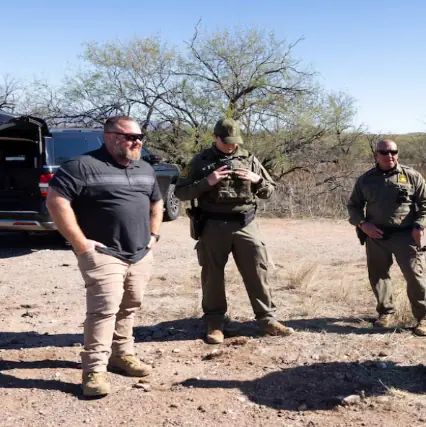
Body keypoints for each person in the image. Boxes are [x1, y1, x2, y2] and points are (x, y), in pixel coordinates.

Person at [47, 115, 162, 397]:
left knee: (130, 305)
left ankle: (121, 355)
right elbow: (55, 200)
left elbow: (157, 201)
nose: (138, 142)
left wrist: (153, 236)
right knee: (104, 309)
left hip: (139, 252)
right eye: (131, 137)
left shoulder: (145, 168)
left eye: (140, 137)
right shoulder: (81, 166)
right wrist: (79, 243)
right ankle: (94, 371)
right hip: (102, 252)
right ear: (110, 136)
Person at [175, 118, 293, 344]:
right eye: (226, 141)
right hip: (213, 225)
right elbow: (181, 193)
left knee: (257, 270)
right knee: (212, 276)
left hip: (246, 223)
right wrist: (206, 182)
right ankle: (215, 322)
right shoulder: (201, 161)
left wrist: (257, 180)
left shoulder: (249, 159)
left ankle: (267, 319)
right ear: (215, 138)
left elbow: (269, 191)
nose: (231, 146)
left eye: (234, 142)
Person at [347, 139, 426, 336]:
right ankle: (385, 312)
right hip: (376, 236)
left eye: (393, 152)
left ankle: (424, 318)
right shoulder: (365, 179)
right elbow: (353, 206)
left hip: (405, 235)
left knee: (415, 277)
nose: (390, 156)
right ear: (376, 155)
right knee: (378, 276)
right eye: (384, 152)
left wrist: (420, 226)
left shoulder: (411, 176)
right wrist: (363, 224)